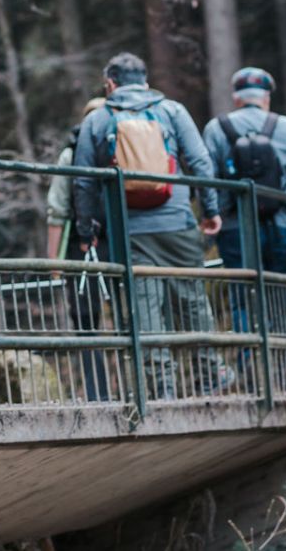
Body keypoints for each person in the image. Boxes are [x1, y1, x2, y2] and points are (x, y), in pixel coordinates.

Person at [69, 53, 230, 401]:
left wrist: (87, 230)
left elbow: (82, 181)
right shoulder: (172, 111)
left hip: (129, 230)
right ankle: (208, 375)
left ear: (110, 84)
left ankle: (162, 388)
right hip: (178, 221)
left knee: (144, 310)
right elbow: (200, 162)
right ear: (145, 80)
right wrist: (210, 210)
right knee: (192, 301)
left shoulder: (98, 119)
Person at [204, 67, 286, 276]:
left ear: (236, 99)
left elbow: (207, 179)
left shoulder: (216, 128)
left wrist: (213, 215)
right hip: (282, 225)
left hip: (234, 228)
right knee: (282, 288)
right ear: (266, 98)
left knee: (242, 290)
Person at [45, 96, 109, 402]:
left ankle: (99, 393)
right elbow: (57, 209)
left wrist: (54, 260)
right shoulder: (116, 153)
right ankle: (106, 391)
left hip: (82, 248)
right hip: (108, 243)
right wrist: (55, 260)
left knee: (86, 320)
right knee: (98, 318)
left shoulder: (70, 155)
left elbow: (56, 209)